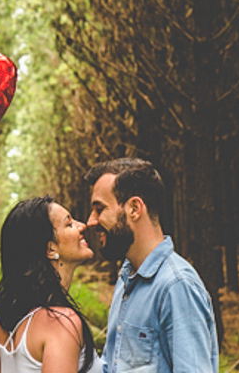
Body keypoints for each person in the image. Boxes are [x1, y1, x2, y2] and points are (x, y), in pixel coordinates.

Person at [84, 158, 219, 372]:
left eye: (100, 209)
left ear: (134, 208)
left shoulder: (177, 286)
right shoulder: (126, 279)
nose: (91, 221)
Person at [0, 196, 100, 373]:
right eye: (69, 224)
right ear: (50, 249)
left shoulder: (12, 316)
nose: (82, 226)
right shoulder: (61, 323)